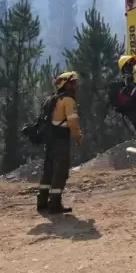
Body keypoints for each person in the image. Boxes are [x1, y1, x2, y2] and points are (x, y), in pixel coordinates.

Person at [37, 71, 83, 214]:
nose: (75, 85)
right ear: (66, 84)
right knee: (61, 172)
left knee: (48, 171)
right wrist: (78, 136)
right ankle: (55, 204)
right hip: (61, 141)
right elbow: (73, 122)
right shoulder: (68, 100)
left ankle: (42, 201)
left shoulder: (52, 99)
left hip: (50, 141)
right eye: (73, 83)